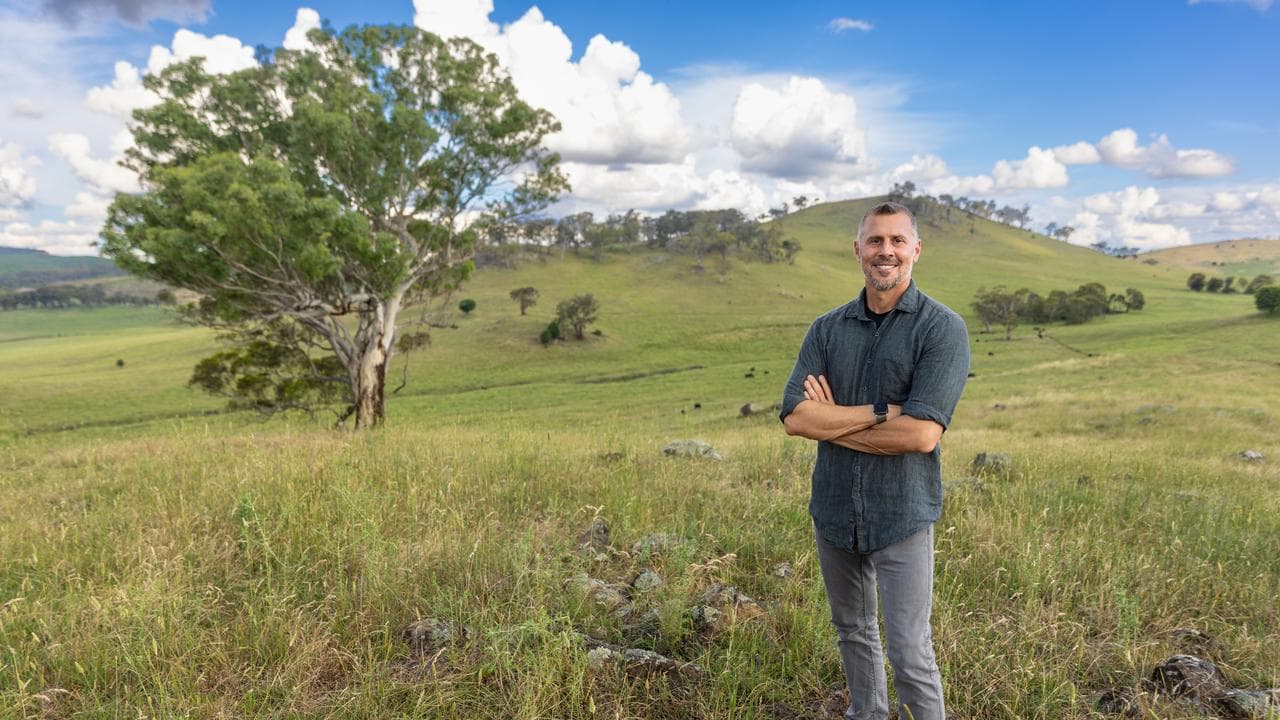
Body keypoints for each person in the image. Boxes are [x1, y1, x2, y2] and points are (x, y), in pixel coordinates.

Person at [779, 201, 970, 720]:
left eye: (897, 241)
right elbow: (796, 418)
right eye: (875, 241)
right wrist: (882, 412)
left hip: (901, 512)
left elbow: (922, 434)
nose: (886, 251)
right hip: (834, 510)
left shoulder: (941, 329)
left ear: (916, 250)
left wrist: (833, 420)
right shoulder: (826, 329)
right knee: (853, 632)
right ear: (858, 250)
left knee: (909, 649)